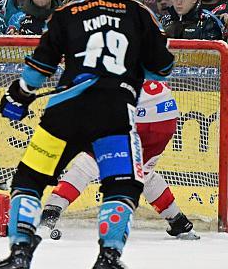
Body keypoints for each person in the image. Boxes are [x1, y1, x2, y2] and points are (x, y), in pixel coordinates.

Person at [0, 0, 174, 269]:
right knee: (122, 184)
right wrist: (132, 66)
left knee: (30, 178)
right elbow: (163, 66)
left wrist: (18, 96)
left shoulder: (66, 13)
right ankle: (109, 260)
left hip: (65, 107)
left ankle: (18, 257)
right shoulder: (137, 12)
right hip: (114, 108)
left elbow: (38, 68)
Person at [39, 80, 198, 240]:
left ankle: (48, 218)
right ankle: (179, 223)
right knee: (143, 173)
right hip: (165, 117)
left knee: (86, 165)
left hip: (132, 116)